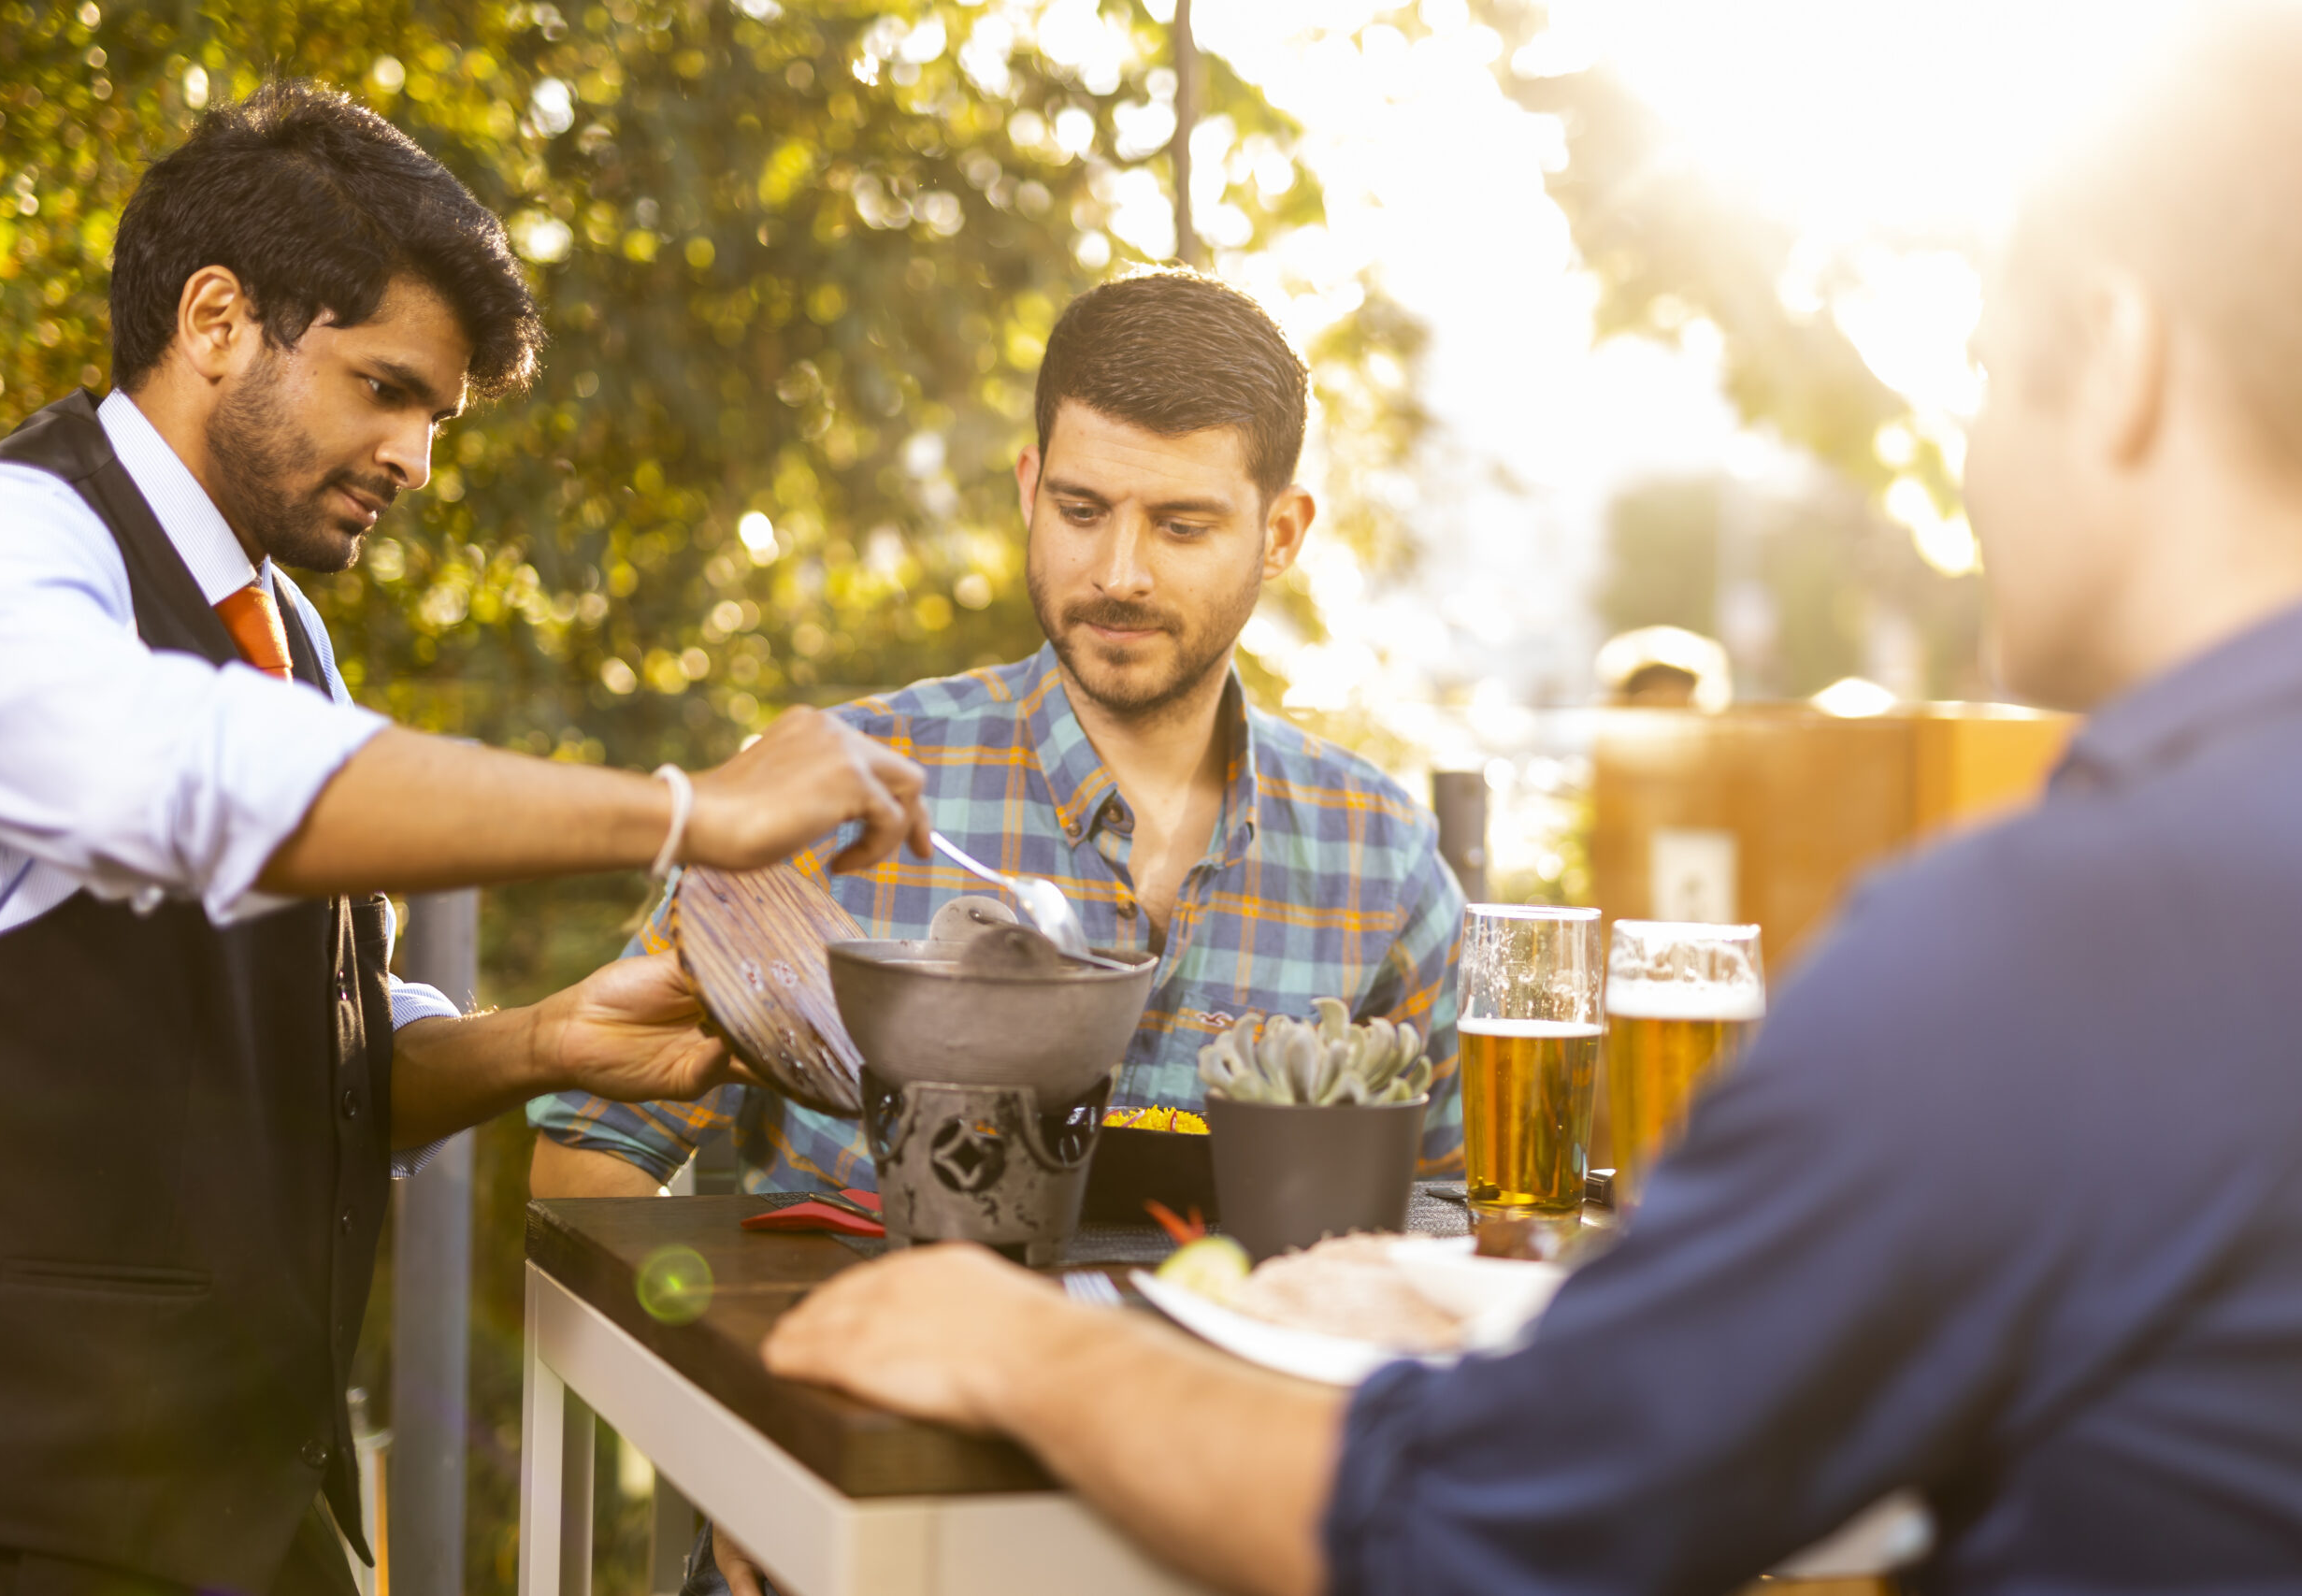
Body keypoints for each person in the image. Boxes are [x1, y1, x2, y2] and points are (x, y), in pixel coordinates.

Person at [757, 10, 2302, 1594]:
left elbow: (1493, 1511)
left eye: (1980, 371)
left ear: (2114, 353)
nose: (1969, 460)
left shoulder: (2040, 954)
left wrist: (1031, 1352)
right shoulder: (841, 782)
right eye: (1083, 508)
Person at [0, 82, 927, 1596]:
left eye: (433, 417)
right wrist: (686, 812)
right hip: (9, 1527)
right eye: (387, 388)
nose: (415, 459)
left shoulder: (289, 631)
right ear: (216, 320)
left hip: (256, 1511)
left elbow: (307, 1068)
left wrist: (550, 1040)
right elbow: (199, 782)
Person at [528, 271, 1467, 1203]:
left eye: (1181, 526)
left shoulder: (1381, 860)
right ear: (1030, 488)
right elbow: (594, 1142)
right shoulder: (827, 792)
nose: (1118, 572)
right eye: (1081, 511)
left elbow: (1450, 1220)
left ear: (1280, 535)